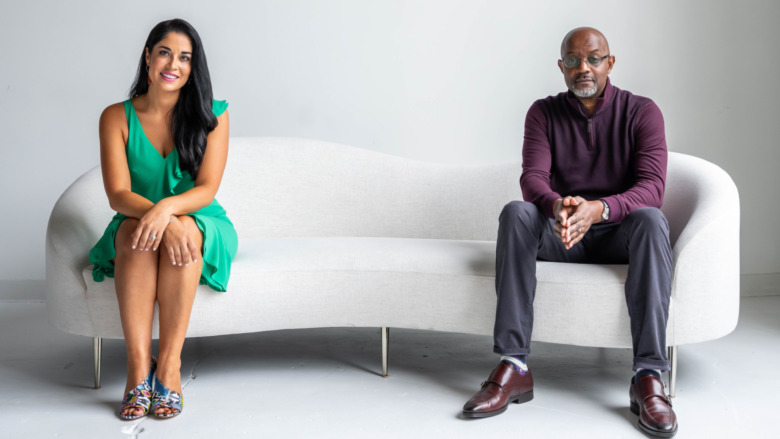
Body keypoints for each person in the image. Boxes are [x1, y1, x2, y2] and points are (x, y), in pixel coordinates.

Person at [461, 27, 678, 437]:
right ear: (561, 67)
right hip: (562, 234)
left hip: (619, 235)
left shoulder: (642, 112)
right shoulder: (542, 113)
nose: (584, 68)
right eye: (574, 60)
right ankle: (514, 365)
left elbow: (653, 187)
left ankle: (649, 376)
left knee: (652, 219)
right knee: (517, 212)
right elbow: (533, 179)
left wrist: (601, 209)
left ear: (609, 63)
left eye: (594, 59)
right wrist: (558, 205)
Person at [88, 18, 237, 420]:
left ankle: (169, 369)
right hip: (138, 217)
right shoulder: (115, 117)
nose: (174, 64)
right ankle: (139, 369)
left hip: (201, 218)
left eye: (185, 57)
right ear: (148, 57)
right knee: (136, 237)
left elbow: (206, 190)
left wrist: (169, 211)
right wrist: (160, 218)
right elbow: (118, 194)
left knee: (184, 230)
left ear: (193, 67)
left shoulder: (213, 116)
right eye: (165, 52)